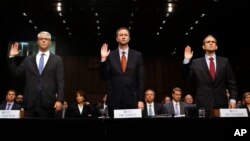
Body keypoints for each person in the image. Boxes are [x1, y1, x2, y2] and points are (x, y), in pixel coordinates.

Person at [8, 31, 64, 118]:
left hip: (49, 102)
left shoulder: (57, 60)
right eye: (41, 39)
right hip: (30, 102)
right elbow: (16, 73)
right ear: (38, 41)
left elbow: (60, 81)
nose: (44, 41)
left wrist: (60, 100)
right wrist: (11, 57)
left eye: (46, 39)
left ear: (50, 42)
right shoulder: (28, 59)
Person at [182, 35, 238, 116]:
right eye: (208, 42)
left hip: (222, 104)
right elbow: (185, 77)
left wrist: (233, 100)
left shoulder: (225, 61)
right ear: (203, 46)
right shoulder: (196, 62)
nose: (211, 43)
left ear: (216, 47)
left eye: (213, 42)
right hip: (203, 104)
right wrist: (186, 60)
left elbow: (232, 83)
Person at [100, 27, 144, 118]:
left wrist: (140, 100)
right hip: (114, 100)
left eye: (125, 35)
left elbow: (141, 79)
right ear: (117, 38)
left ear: (129, 38)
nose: (123, 37)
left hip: (132, 99)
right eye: (121, 35)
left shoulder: (137, 55)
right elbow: (104, 77)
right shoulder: (110, 55)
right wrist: (104, 59)